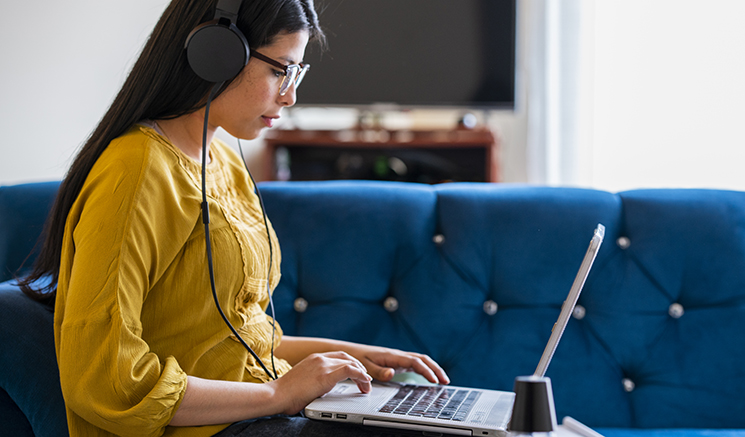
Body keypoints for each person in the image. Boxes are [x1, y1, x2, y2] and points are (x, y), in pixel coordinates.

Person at [19, 1, 450, 436]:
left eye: (296, 73)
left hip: (257, 413)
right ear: (218, 53)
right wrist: (280, 394)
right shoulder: (136, 171)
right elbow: (105, 379)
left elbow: (228, 341)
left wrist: (351, 355)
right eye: (281, 70)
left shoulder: (222, 158)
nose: (290, 95)